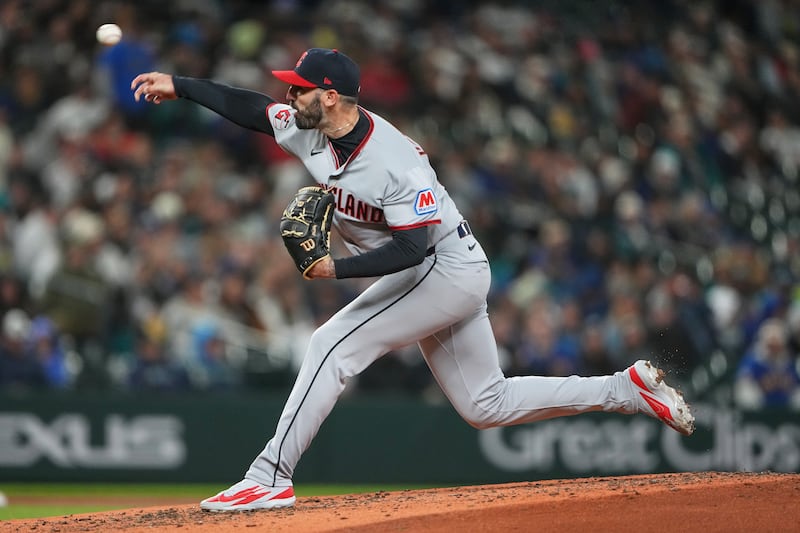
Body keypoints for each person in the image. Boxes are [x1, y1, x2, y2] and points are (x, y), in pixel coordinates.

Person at [130, 48, 695, 512]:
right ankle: (624, 389)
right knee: (485, 404)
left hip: (444, 268)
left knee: (332, 343)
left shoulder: (395, 161)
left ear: (330, 96)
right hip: (437, 273)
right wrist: (178, 85)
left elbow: (413, 247)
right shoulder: (309, 129)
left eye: (299, 87)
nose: (288, 95)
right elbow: (249, 107)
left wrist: (336, 269)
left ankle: (270, 475)